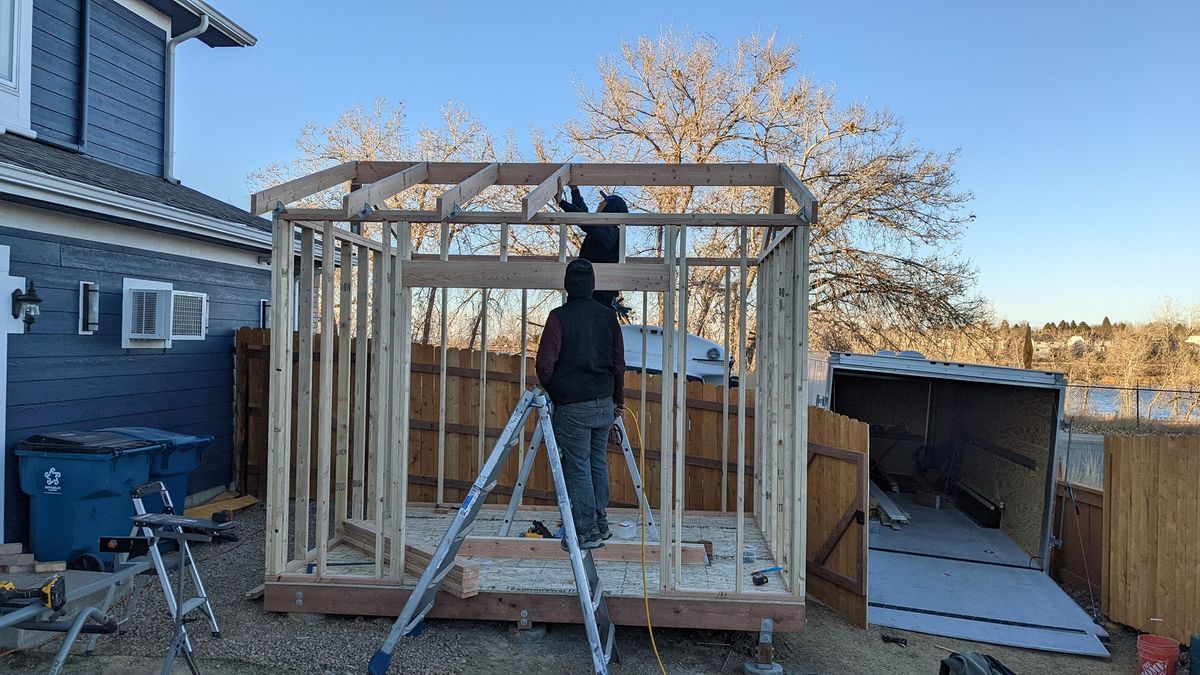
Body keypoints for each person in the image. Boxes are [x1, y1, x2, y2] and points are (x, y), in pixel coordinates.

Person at [535, 259, 626, 550]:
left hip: (574, 407)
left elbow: (544, 366)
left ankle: (586, 532)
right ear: (592, 285)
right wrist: (617, 401)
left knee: (578, 468)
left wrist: (559, 393)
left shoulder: (559, 317)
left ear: (567, 286)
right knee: (596, 462)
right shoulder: (607, 317)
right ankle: (600, 524)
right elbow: (618, 364)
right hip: (603, 405)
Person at [558, 186, 629, 317]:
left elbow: (584, 220)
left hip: (600, 295)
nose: (599, 203)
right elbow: (583, 213)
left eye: (604, 202)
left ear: (610, 208)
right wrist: (574, 190)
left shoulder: (609, 231)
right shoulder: (605, 229)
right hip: (594, 292)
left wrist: (561, 202)